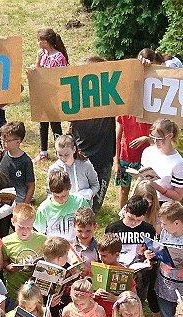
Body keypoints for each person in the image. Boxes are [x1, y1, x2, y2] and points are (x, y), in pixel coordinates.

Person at [68, 58, 116, 210]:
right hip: (81, 157)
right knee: (77, 202)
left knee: (95, 206)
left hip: (103, 159)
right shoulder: (76, 97)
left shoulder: (111, 98)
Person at [33, 28, 69, 162]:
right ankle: (43, 151)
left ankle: (59, 150)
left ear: (46, 42)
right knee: (43, 123)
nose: (38, 43)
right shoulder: (42, 54)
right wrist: (37, 60)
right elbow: (38, 71)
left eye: (40, 40)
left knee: (55, 124)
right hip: (43, 93)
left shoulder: (59, 57)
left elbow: (62, 75)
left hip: (54, 95)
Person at [1, 204, 47, 302]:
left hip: (37, 292)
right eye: (21, 227)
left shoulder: (42, 240)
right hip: (15, 291)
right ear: (13, 222)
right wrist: (8, 267)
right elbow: (4, 261)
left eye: (29, 227)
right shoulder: (6, 241)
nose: (25, 231)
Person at [33, 170, 91, 244]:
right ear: (51, 192)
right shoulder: (44, 209)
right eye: (56, 196)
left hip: (77, 244)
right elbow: (40, 233)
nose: (61, 199)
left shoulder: (80, 202)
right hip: (55, 246)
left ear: (69, 188)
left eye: (64, 195)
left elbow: (89, 224)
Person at [140, 118, 183, 204]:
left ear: (170, 136)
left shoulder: (179, 163)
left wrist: (156, 187)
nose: (155, 141)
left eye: (159, 139)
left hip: (163, 204)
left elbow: (178, 196)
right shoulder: (148, 151)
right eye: (153, 137)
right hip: (144, 199)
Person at [114, 108, 152, 210]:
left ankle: (141, 215)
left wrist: (146, 139)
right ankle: (123, 216)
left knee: (144, 190)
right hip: (125, 157)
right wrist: (117, 162)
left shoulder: (151, 112)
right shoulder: (124, 113)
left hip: (144, 159)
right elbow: (117, 138)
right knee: (124, 190)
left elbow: (157, 138)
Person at [48, 134, 99, 207]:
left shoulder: (85, 165)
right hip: (63, 207)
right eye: (60, 155)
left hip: (83, 207)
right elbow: (50, 192)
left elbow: (95, 185)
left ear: (74, 150)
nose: (63, 158)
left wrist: (89, 193)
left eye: (66, 154)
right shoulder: (54, 169)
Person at [0, 121, 36, 204]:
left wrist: (25, 204)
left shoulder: (25, 161)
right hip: (3, 200)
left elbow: (31, 186)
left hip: (18, 201)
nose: (3, 143)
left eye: (6, 141)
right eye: (2, 140)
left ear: (18, 142)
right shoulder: (2, 155)